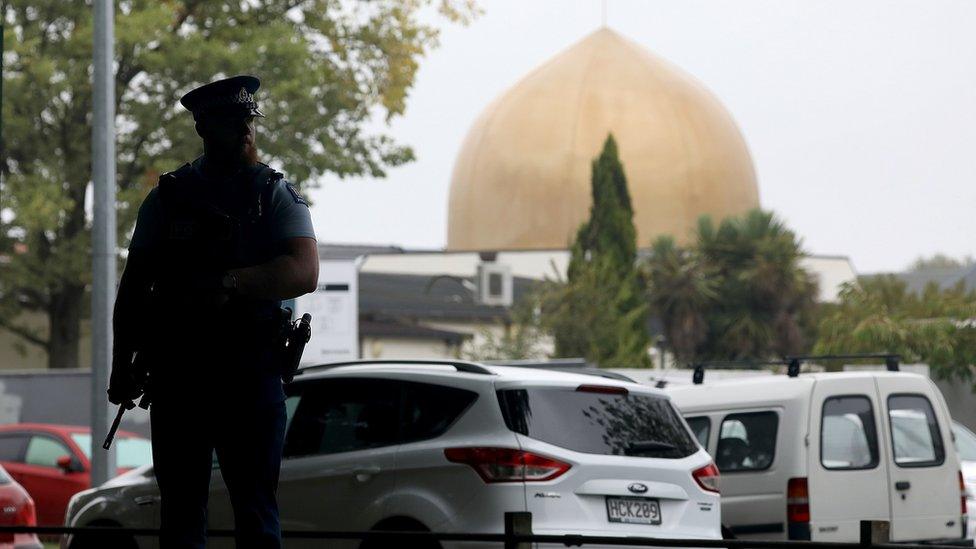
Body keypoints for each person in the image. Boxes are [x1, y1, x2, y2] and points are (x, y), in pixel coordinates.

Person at [108, 75, 319, 549]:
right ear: (204, 128)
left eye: (248, 121)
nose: (246, 132)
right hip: (181, 375)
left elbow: (305, 272)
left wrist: (229, 282)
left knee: (256, 512)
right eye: (232, 123)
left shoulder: (274, 194)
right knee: (182, 513)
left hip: (250, 371)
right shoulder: (168, 199)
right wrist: (122, 366)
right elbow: (134, 289)